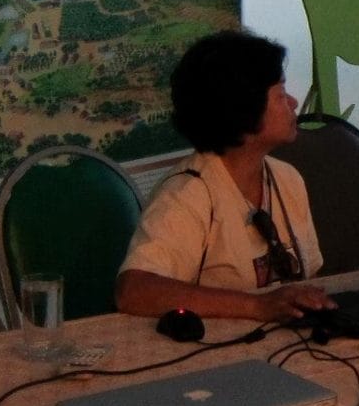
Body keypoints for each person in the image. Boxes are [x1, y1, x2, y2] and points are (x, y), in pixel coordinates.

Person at [116, 30, 338, 324]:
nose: (294, 103)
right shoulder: (187, 194)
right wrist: (258, 307)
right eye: (281, 94)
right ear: (244, 110)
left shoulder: (288, 179)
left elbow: (309, 278)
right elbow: (133, 290)